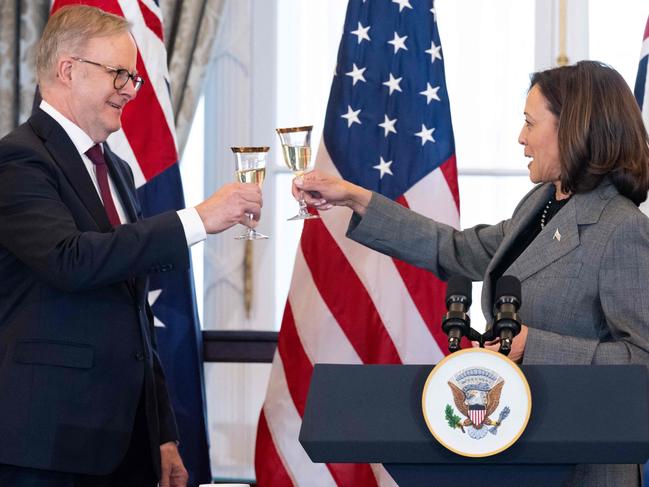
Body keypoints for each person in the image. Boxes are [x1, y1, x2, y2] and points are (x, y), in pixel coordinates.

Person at [294, 60, 649, 485]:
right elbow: (457, 250)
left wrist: (534, 345)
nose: (522, 138)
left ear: (573, 128)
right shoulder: (540, 203)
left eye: (530, 123)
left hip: (584, 467)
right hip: (517, 450)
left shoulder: (622, 228)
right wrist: (355, 198)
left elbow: (642, 363)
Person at [0, 5, 262, 487]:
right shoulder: (17, 160)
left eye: (135, 77)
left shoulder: (116, 170)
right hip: (48, 446)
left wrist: (161, 433)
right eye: (119, 72)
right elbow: (70, 260)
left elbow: (136, 313)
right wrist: (198, 219)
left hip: (127, 443)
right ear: (68, 70)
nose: (129, 88)